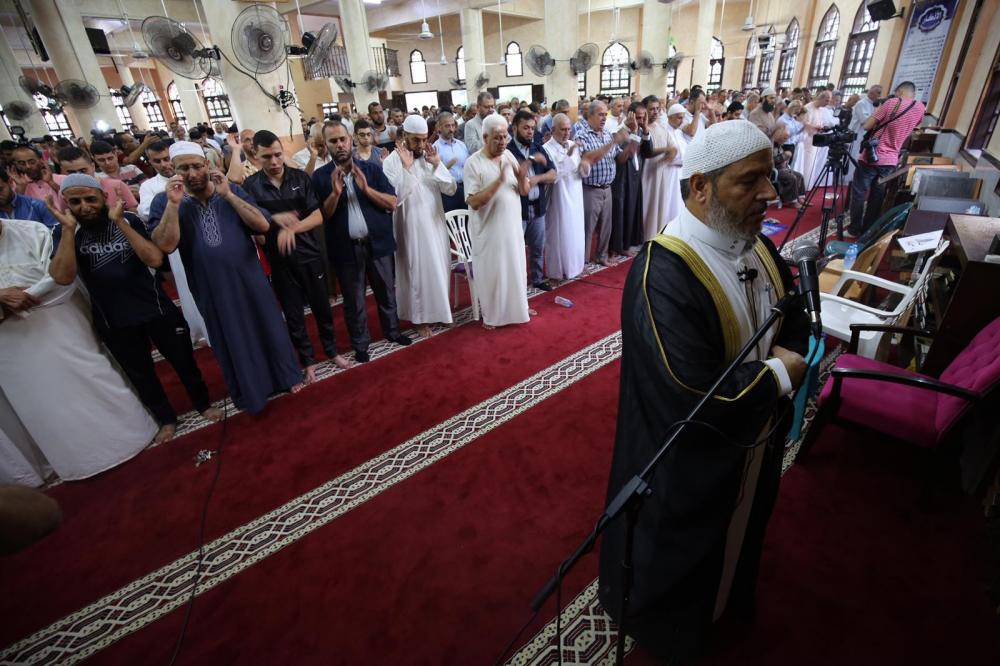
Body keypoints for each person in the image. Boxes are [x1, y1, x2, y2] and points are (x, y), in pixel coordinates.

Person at [598, 120, 810, 662]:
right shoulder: (661, 273)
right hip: (686, 467)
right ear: (699, 188)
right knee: (683, 569)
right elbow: (692, 394)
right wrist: (781, 374)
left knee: (739, 545)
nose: (771, 192)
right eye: (751, 181)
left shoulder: (757, 244)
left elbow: (792, 314)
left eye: (770, 176)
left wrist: (786, 354)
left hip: (751, 447)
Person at [46, 174, 220, 444]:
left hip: (156, 307)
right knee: (141, 373)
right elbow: (63, 276)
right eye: (75, 201)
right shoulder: (63, 231)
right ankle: (166, 418)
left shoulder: (130, 220)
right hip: (114, 318)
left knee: (184, 361)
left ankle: (203, 403)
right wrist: (68, 231)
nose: (84, 207)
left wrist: (120, 222)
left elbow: (154, 258)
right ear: (66, 203)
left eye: (90, 199)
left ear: (103, 197)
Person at [0, 216, 157, 485]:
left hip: (59, 328)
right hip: (10, 348)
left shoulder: (33, 231)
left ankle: (127, 436)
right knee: (40, 403)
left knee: (90, 380)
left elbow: (59, 278)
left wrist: (22, 297)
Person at [149, 141, 304, 413]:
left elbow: (262, 225)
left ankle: (286, 377)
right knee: (231, 336)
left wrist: (230, 195)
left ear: (207, 165)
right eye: (184, 168)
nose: (192, 173)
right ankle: (250, 391)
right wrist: (173, 205)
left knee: (267, 325)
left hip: (249, 277)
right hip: (210, 285)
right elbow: (165, 244)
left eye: (197, 166)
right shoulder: (164, 200)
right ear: (173, 171)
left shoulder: (231, 190)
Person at [244, 131, 351, 380]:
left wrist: (291, 227)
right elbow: (255, 224)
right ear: (256, 156)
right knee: (293, 315)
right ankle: (308, 360)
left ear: (284, 152)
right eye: (267, 157)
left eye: (278, 155)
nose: (274, 162)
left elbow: (316, 216)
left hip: (310, 255)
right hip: (280, 261)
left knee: (322, 308)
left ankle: (332, 351)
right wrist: (273, 226)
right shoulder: (251, 186)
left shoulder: (300, 178)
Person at [312, 122, 412, 363]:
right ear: (326, 145)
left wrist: (365, 189)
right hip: (346, 248)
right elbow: (321, 217)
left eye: (342, 139)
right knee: (354, 299)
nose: (339, 145)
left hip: (377, 243)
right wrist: (335, 194)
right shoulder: (320, 177)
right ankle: (361, 344)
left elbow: (391, 202)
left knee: (386, 292)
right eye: (333, 141)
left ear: (350, 140)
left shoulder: (371, 169)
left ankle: (392, 331)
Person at [382, 115, 457, 339]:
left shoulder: (428, 157)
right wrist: (406, 169)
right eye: (416, 140)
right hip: (410, 227)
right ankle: (420, 318)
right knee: (416, 273)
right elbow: (394, 198)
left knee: (439, 268)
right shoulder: (391, 162)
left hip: (434, 224)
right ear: (403, 136)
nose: (422, 145)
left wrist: (437, 165)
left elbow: (451, 189)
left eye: (424, 139)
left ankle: (440, 312)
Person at [463, 114, 533, 329]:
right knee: (493, 274)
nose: (503, 142)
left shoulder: (509, 155)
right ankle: (492, 316)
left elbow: (524, 191)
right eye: (497, 138)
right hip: (489, 232)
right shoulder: (473, 163)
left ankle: (518, 308)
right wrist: (499, 181)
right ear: (485, 137)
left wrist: (522, 177)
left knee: (515, 269)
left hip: (512, 229)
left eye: (505, 137)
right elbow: (473, 201)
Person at [137, 140, 209, 345]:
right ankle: (201, 329)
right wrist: (171, 202)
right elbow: (146, 212)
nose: (164, 165)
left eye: (167, 159)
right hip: (178, 246)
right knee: (190, 289)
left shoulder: (204, 182)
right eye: (158, 161)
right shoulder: (151, 187)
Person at [848, 81, 925, 237]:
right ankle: (868, 230)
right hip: (891, 159)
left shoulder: (892, 103)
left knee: (859, 192)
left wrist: (878, 112)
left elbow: (867, 126)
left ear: (899, 91)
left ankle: (854, 229)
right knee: (877, 195)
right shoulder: (920, 108)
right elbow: (913, 127)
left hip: (872, 155)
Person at [575, 100, 630, 266]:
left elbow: (619, 158)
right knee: (587, 229)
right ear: (589, 115)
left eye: (605, 114)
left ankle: (601, 256)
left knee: (606, 227)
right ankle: (582, 262)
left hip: (607, 188)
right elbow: (589, 158)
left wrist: (632, 144)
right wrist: (613, 142)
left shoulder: (606, 134)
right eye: (600, 114)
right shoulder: (582, 135)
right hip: (591, 189)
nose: (604, 118)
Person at [507, 110, 557, 291]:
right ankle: (518, 284)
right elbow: (517, 174)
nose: (530, 131)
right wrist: (530, 161)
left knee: (538, 247)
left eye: (532, 128)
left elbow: (553, 174)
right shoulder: (507, 152)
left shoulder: (538, 147)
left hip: (537, 208)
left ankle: (537, 278)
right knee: (517, 251)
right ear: (514, 128)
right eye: (525, 128)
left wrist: (537, 179)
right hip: (518, 210)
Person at [542, 113, 590, 281]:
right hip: (559, 197)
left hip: (575, 194)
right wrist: (569, 155)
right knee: (559, 234)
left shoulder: (572, 144)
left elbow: (579, 169)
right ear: (553, 129)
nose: (566, 133)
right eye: (562, 129)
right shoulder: (546, 148)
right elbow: (555, 174)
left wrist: (585, 166)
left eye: (569, 129)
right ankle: (557, 271)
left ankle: (576, 267)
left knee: (576, 232)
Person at [640, 97, 681, 243]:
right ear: (644, 110)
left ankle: (656, 235)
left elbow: (673, 148)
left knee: (660, 205)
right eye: (652, 109)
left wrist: (666, 159)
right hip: (647, 173)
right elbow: (646, 151)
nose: (655, 112)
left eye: (658, 108)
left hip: (661, 172)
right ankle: (643, 236)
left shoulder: (662, 127)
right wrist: (666, 152)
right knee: (647, 205)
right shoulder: (641, 129)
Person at [53, 147, 139, 213]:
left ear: (93, 166)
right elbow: (68, 219)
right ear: (63, 171)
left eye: (83, 170)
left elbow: (135, 213)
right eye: (71, 172)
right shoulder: (64, 193)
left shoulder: (117, 186)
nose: (78, 176)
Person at [610, 103, 646, 255]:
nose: (641, 120)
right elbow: (626, 154)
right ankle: (618, 247)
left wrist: (642, 130)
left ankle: (629, 243)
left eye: (643, 117)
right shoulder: (618, 131)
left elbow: (644, 151)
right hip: (621, 177)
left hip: (634, 175)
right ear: (629, 115)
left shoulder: (640, 129)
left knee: (631, 211)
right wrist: (635, 132)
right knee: (620, 212)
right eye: (638, 117)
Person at [432, 111, 470, 212]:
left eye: (453, 125)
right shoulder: (435, 148)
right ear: (439, 127)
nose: (451, 129)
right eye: (447, 126)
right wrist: (446, 167)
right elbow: (432, 175)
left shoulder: (461, 145)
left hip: (465, 188)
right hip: (447, 193)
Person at [847, 85, 883, 181]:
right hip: (857, 135)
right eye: (878, 93)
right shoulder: (861, 103)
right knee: (853, 157)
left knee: (860, 158)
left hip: (865, 137)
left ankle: (855, 179)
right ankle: (848, 180)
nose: (879, 95)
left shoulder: (873, 105)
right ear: (871, 92)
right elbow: (865, 121)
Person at [800, 90, 835, 188]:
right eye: (826, 100)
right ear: (821, 98)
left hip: (816, 139)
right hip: (806, 140)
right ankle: (802, 186)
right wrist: (814, 127)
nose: (828, 103)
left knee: (811, 164)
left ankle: (807, 186)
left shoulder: (821, 110)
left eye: (829, 101)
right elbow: (802, 122)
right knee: (805, 163)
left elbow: (820, 122)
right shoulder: (807, 108)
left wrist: (821, 127)